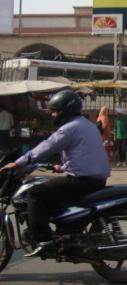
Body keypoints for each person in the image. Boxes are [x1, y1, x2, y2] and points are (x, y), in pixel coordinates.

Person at [0, 90, 110, 257]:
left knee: (35, 194)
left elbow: (45, 148)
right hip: (95, 179)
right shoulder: (86, 124)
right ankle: (62, 232)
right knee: (51, 191)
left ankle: (43, 240)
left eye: (55, 111)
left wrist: (18, 163)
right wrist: (62, 167)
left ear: (64, 111)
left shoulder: (68, 129)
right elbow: (82, 153)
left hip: (83, 181)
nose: (52, 114)